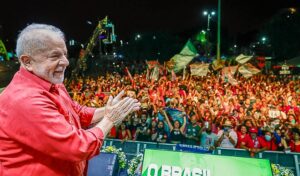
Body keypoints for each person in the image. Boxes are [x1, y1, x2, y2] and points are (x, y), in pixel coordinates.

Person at [0, 24, 141, 176]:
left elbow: (76, 111)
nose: (66, 62)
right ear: (28, 62)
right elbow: (78, 147)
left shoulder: (51, 82)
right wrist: (110, 119)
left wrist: (106, 111)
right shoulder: (25, 100)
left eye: (64, 55)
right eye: (55, 56)